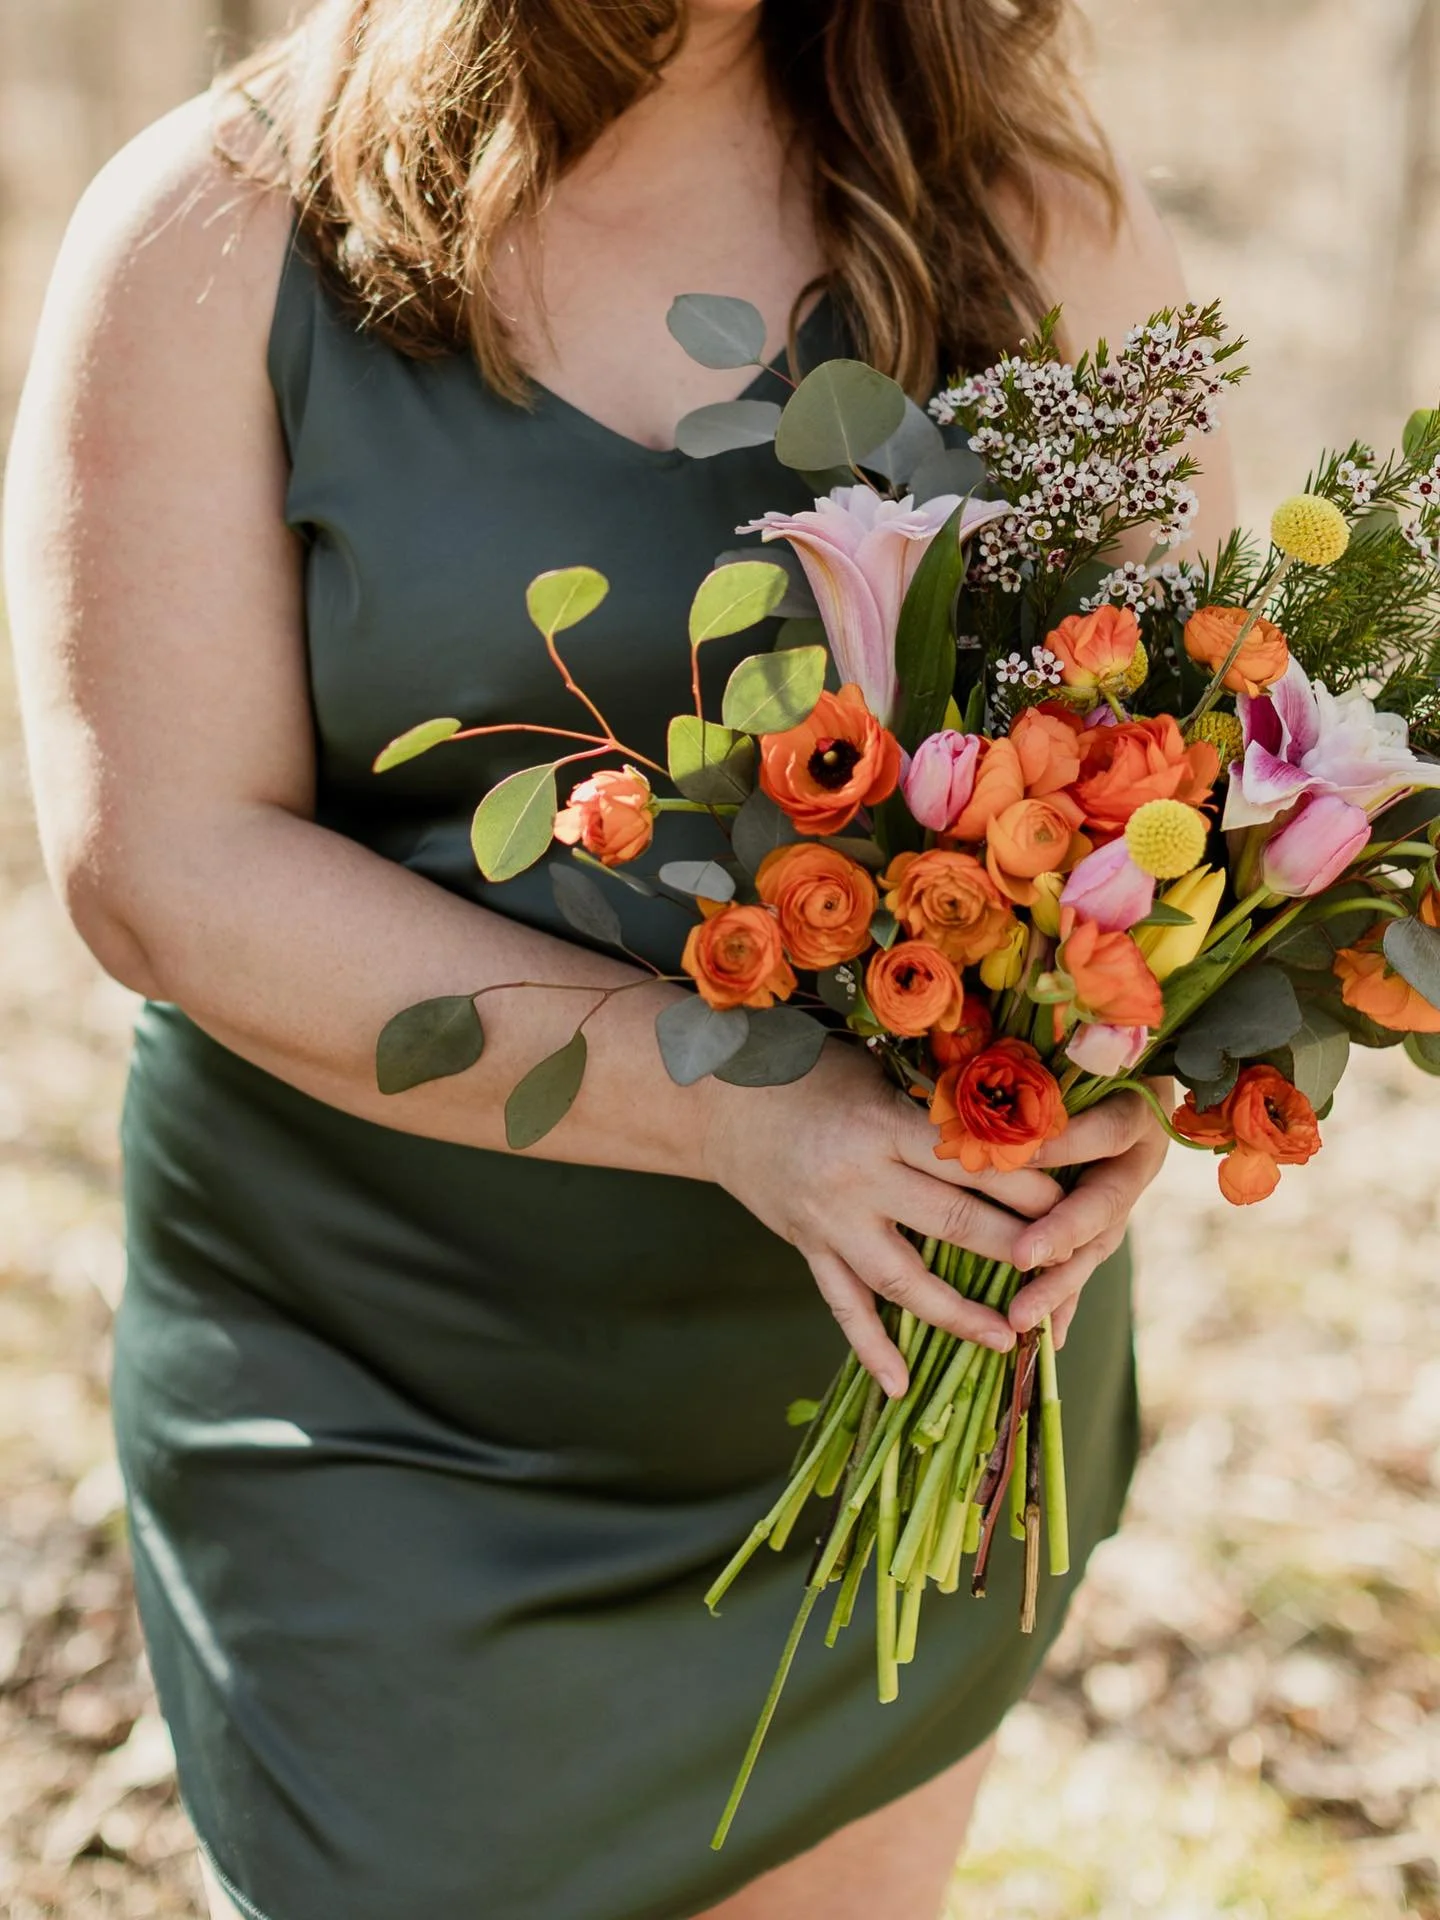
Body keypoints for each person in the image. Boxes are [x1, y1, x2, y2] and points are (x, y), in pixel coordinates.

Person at [4, 2, 1234, 1916]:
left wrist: (1125, 1064)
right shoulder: (215, 229)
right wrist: (740, 1111)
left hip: (880, 1406)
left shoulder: (1016, 206)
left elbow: (1187, 747)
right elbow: (161, 869)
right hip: (389, 1403)